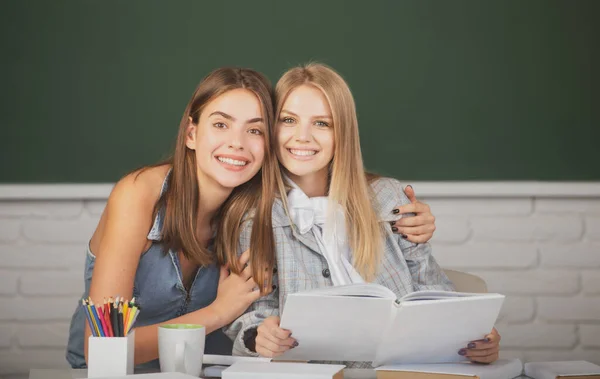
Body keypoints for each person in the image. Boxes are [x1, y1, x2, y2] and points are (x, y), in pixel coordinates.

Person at [66, 66, 438, 368]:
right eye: (221, 124)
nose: (237, 143)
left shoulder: (252, 203)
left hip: (208, 370)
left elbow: (325, 178)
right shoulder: (141, 194)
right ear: (192, 134)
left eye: (255, 130)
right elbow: (102, 347)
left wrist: (393, 212)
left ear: (268, 142)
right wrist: (217, 312)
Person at [223, 63, 501, 366]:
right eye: (288, 120)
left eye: (322, 124)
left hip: (398, 370)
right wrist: (259, 335)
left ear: (342, 132)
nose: (302, 137)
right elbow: (252, 315)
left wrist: (473, 335)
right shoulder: (253, 217)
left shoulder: (387, 198)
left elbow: (432, 290)